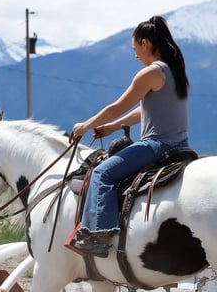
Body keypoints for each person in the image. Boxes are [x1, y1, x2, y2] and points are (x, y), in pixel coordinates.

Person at [66, 14, 190, 258]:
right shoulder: (175, 71)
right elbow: (143, 112)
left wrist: (84, 126)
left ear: (145, 44)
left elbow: (116, 106)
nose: (135, 55)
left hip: (156, 146)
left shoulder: (150, 73)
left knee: (101, 173)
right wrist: (113, 127)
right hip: (180, 144)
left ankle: (98, 235)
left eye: (135, 49)